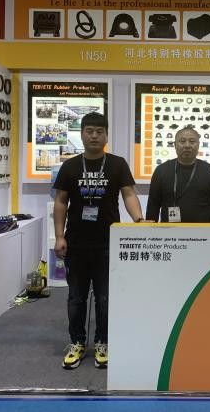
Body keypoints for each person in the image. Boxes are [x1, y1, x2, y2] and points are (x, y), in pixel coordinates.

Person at [53, 112, 144, 370]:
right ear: (82, 134)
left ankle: (103, 342)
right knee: (76, 298)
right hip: (76, 243)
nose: (94, 136)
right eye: (90, 131)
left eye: (99, 132)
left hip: (108, 243)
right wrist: (59, 236)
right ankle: (77, 342)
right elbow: (61, 202)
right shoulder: (70, 166)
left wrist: (139, 220)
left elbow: (129, 194)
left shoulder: (117, 164)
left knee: (105, 298)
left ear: (106, 135)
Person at [146, 126, 210, 223]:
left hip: (204, 231)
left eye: (192, 141)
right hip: (169, 231)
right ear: (175, 145)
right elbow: (153, 206)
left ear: (198, 145)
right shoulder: (161, 171)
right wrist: (149, 230)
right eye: (182, 141)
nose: (187, 145)